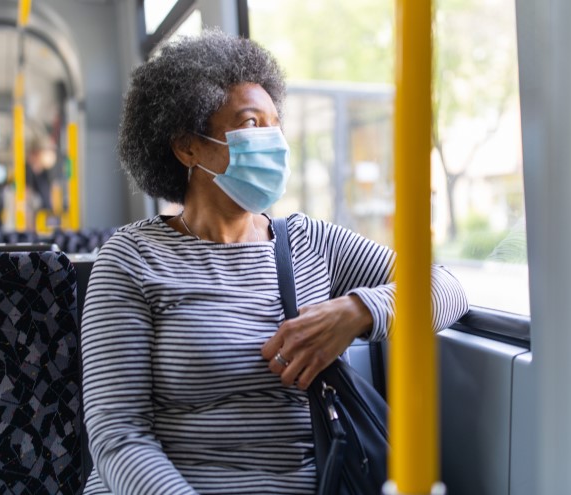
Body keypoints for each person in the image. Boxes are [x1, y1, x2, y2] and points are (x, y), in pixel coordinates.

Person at [80, 30, 469, 495]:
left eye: (275, 125)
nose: (274, 142)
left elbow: (447, 287)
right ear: (188, 148)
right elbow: (119, 436)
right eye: (252, 124)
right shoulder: (131, 258)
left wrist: (358, 311)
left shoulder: (308, 242)